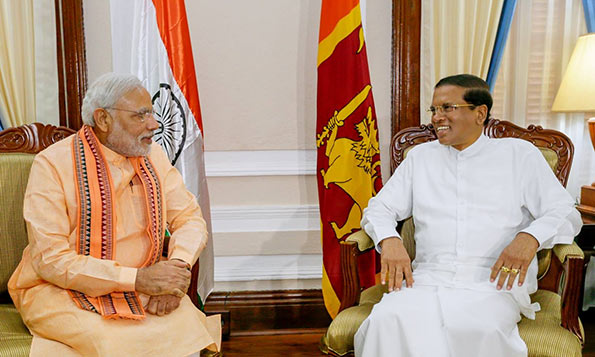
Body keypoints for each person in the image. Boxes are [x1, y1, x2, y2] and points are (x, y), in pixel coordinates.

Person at [354, 74, 583, 357]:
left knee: (477, 329)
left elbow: (563, 211)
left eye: (448, 108)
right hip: (427, 279)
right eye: (434, 110)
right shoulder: (420, 157)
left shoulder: (519, 155)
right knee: (387, 322)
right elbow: (379, 208)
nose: (437, 117)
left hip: (494, 282)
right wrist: (390, 240)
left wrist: (530, 237)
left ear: (480, 113)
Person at [8, 73, 220, 356]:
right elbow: (51, 260)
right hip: (59, 291)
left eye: (152, 114)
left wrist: (176, 272)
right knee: (115, 344)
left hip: (146, 289)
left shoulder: (152, 156)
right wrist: (136, 279)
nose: (154, 125)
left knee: (192, 335)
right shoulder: (53, 164)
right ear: (103, 119)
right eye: (141, 115)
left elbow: (190, 218)